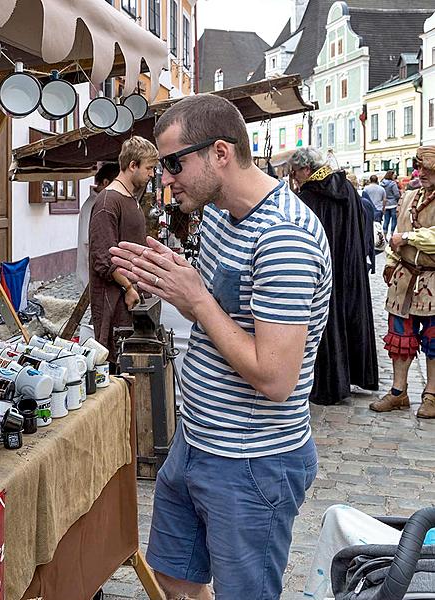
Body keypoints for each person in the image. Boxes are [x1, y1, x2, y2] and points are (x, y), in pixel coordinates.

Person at [108, 94, 331, 599]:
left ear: (221, 154)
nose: (164, 178)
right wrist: (181, 290)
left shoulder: (285, 238)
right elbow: (215, 315)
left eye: (173, 163)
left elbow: (276, 379)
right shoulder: (219, 216)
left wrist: (198, 300)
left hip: (253, 460)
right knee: (173, 577)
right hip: (197, 439)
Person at [288, 148, 378, 404]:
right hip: (350, 266)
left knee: (328, 322)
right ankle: (353, 374)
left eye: (295, 173)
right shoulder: (346, 187)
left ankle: (329, 384)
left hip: (326, 269)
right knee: (349, 316)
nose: (295, 179)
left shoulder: (309, 196)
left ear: (306, 170)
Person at [371, 146, 435, 418]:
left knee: (434, 340)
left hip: (432, 279)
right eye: (419, 168)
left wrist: (408, 239)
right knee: (400, 337)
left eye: (428, 170)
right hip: (404, 278)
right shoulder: (409, 196)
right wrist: (390, 261)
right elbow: (397, 232)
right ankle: (399, 392)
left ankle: (432, 394)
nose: (421, 174)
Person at [88, 137, 158, 367]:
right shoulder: (108, 201)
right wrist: (128, 287)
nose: (151, 174)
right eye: (149, 168)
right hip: (117, 302)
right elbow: (103, 257)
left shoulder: (131, 199)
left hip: (134, 299)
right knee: (118, 367)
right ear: (132, 166)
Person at [76, 162, 120, 288]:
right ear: (106, 183)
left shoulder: (103, 203)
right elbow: (91, 245)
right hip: (94, 277)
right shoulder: (93, 205)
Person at [382, 170, 401, 237]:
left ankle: (384, 234)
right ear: (391, 175)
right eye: (394, 175)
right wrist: (399, 200)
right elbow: (396, 194)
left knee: (386, 220)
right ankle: (392, 234)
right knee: (394, 219)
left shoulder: (382, 183)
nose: (394, 176)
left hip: (386, 204)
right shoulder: (393, 184)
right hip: (393, 204)